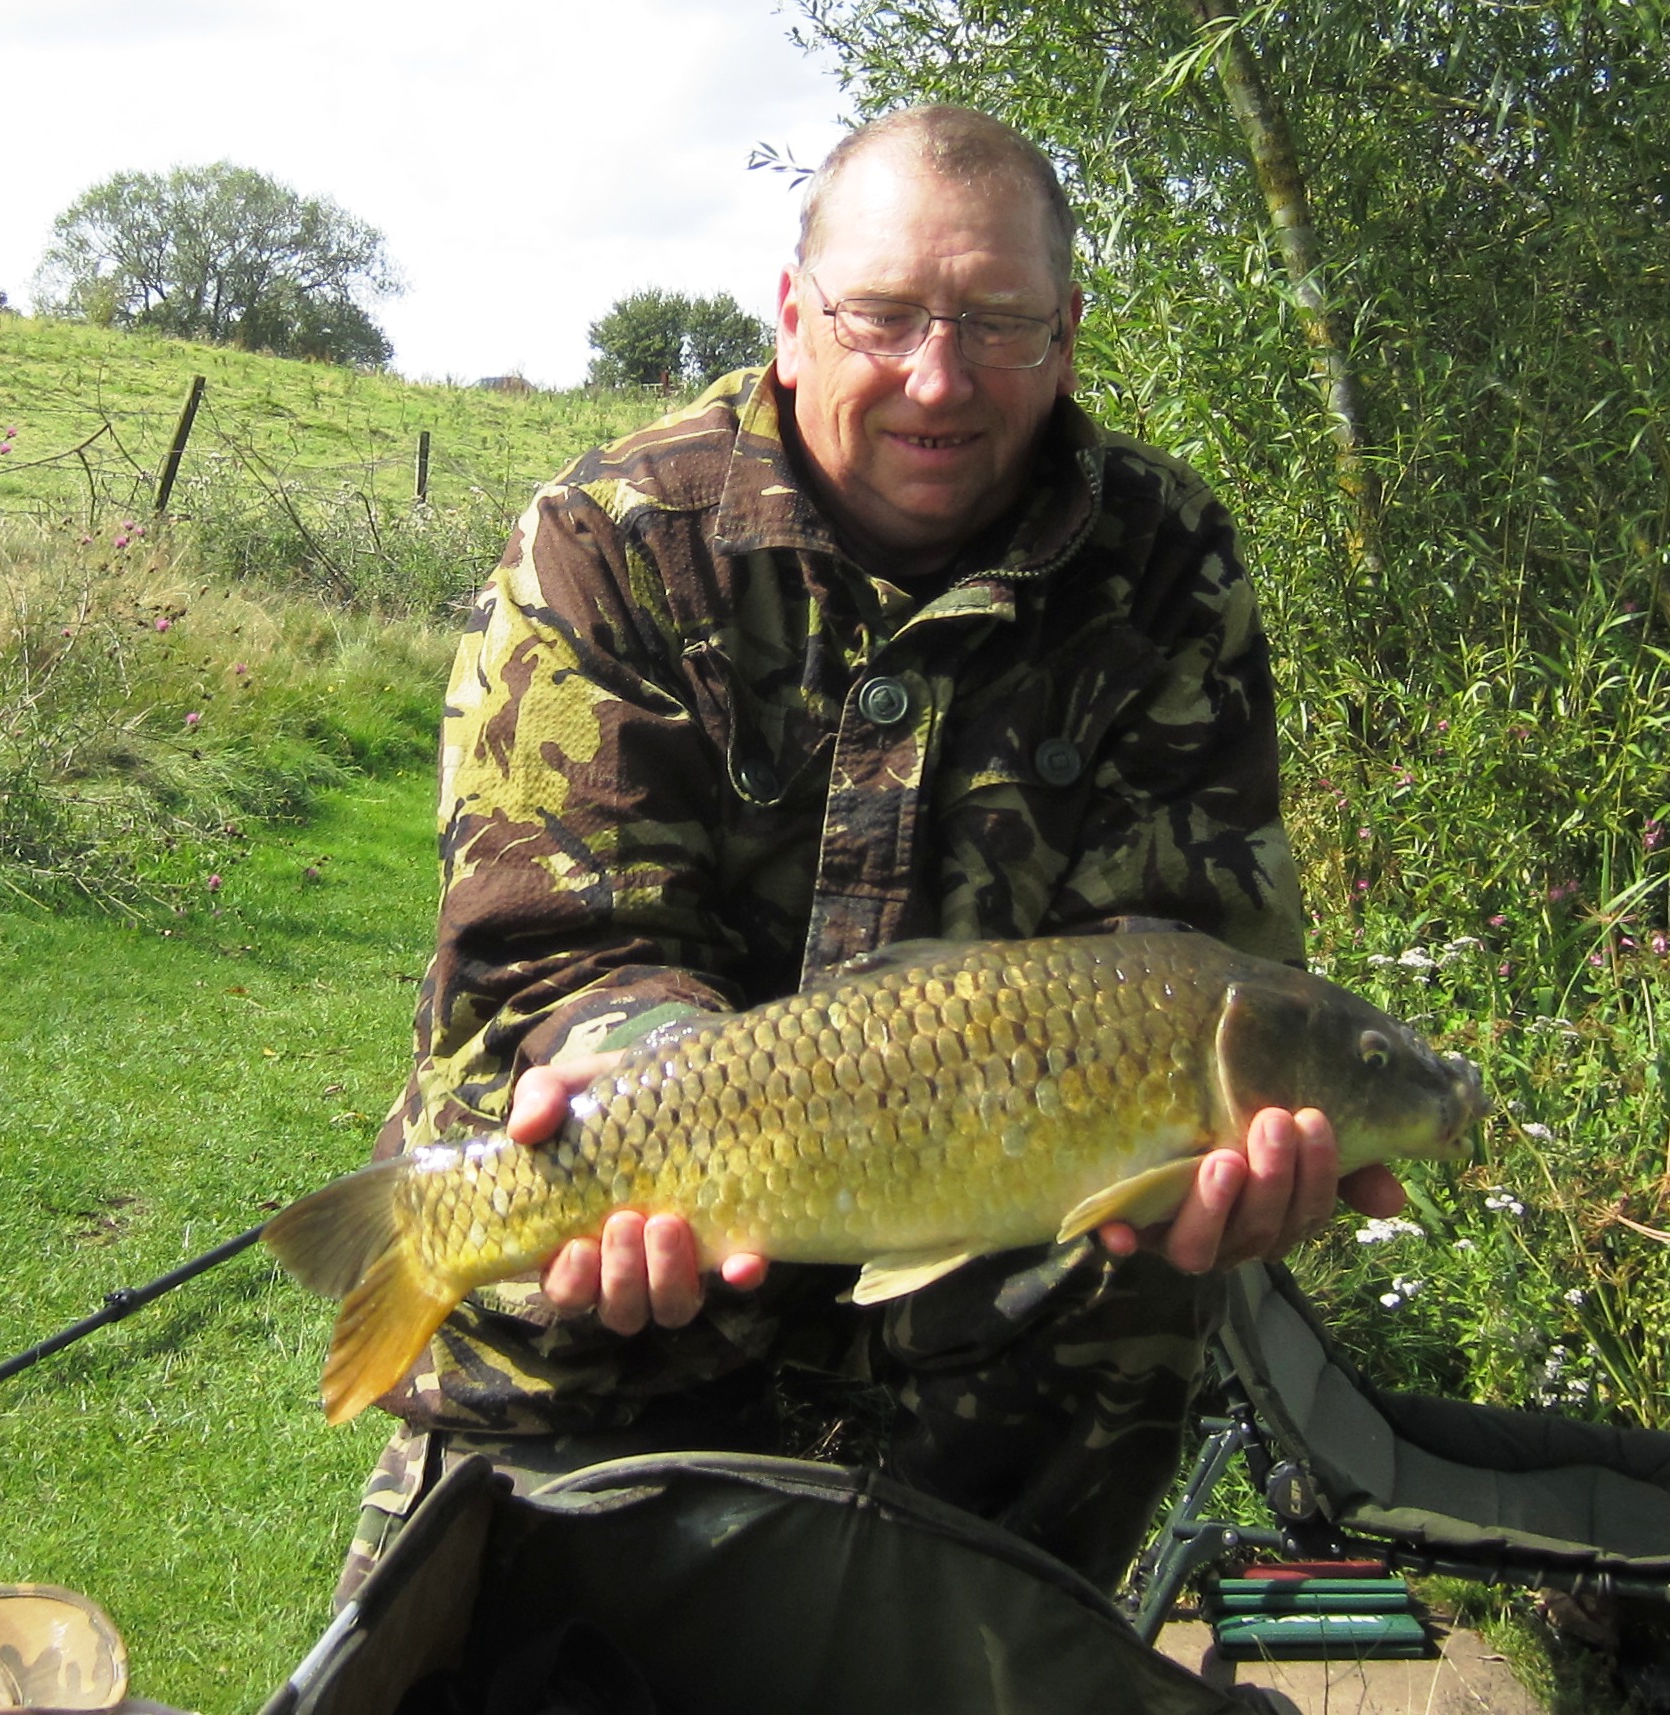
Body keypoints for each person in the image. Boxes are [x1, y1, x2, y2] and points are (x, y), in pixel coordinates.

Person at [336, 104, 1403, 1605]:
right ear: (792, 318)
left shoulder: (1163, 566)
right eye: (884, 316)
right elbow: (554, 938)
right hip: (621, 1302)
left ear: (1068, 336)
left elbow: (1182, 939)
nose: (939, 378)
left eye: (999, 322)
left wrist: (1216, 1154)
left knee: (1113, 1335)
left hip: (1008, 1337)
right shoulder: (613, 537)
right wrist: (632, 1082)